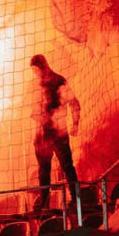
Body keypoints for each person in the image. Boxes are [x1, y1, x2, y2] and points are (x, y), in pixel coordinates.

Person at [29, 54, 81, 214]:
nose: (35, 73)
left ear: (42, 67)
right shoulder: (36, 86)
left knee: (67, 167)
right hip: (44, 135)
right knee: (44, 170)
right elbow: (34, 111)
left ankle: (76, 199)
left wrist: (75, 124)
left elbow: (74, 103)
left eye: (36, 69)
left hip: (58, 133)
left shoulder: (59, 81)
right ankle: (44, 202)